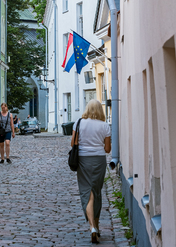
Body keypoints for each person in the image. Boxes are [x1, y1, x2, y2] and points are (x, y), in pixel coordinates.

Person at [71, 99, 111, 244]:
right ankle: (97, 225)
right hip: (99, 160)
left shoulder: (79, 123)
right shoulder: (105, 126)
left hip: (83, 160)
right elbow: (107, 149)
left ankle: (92, 227)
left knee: (87, 192)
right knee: (97, 191)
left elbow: (73, 143)